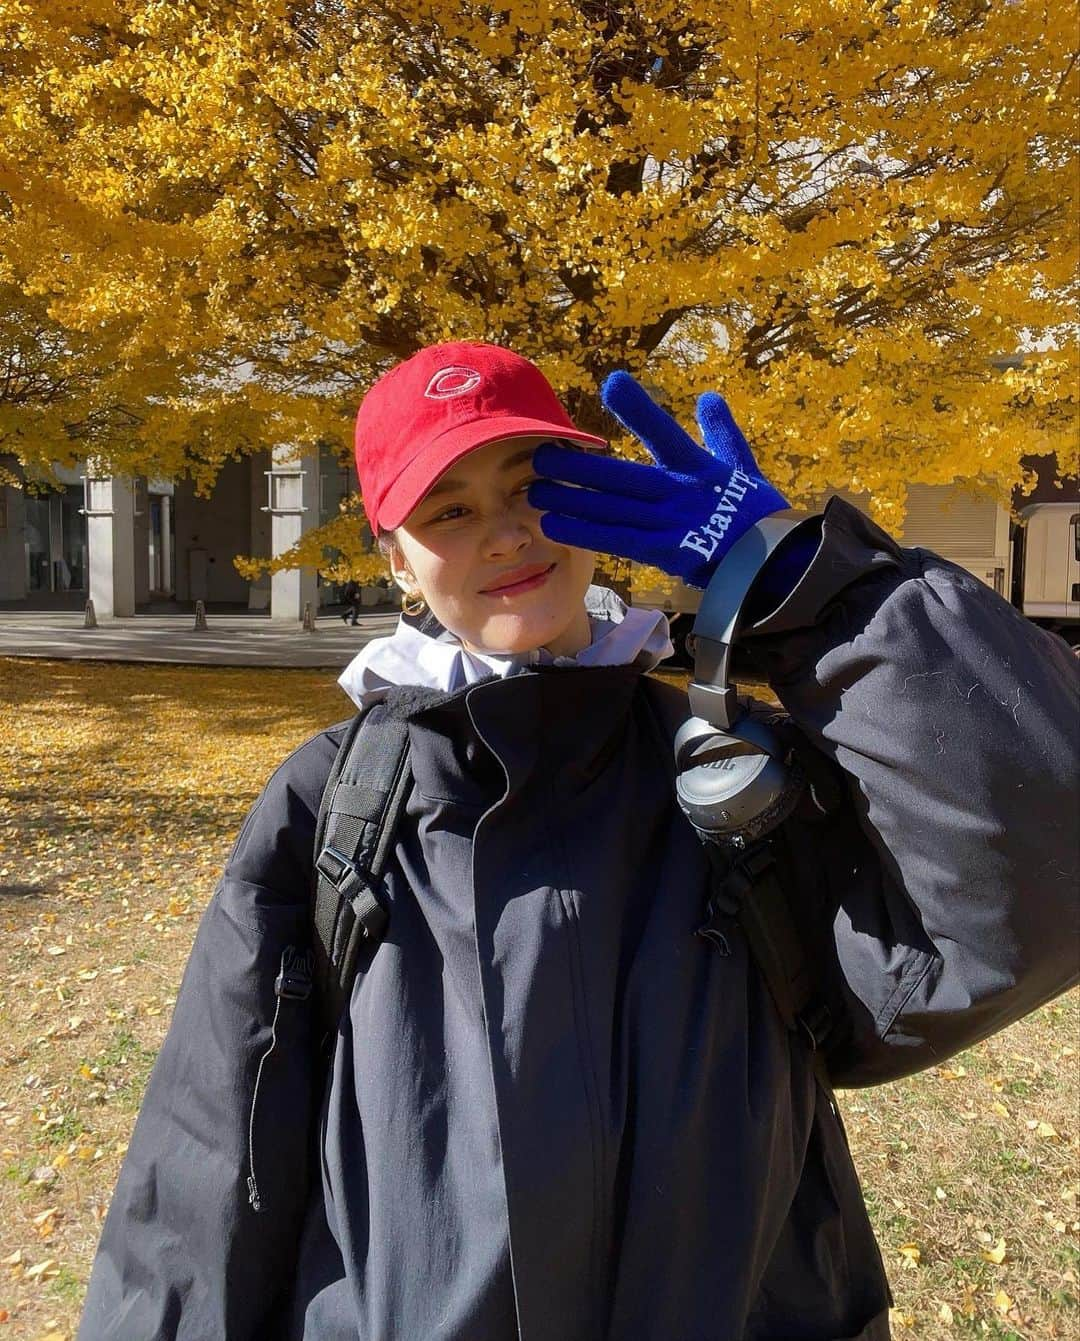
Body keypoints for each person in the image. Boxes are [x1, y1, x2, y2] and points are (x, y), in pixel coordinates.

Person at [77, 342, 1078, 1341]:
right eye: (450, 510)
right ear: (394, 557)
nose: (507, 532)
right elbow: (213, 1148)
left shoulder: (732, 769)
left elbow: (1035, 871)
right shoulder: (331, 802)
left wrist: (812, 590)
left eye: (531, 484)